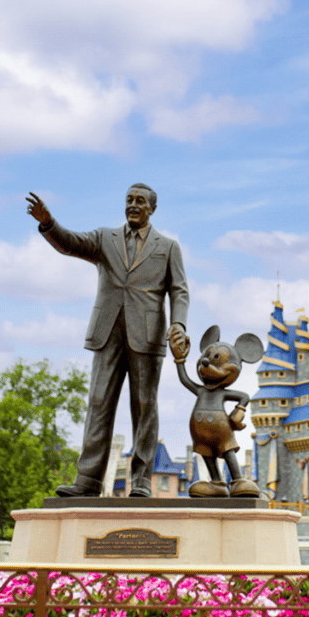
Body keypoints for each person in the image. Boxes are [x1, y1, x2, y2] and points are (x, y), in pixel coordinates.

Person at [27, 185, 189, 499]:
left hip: (148, 334)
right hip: (107, 333)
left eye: (139, 201)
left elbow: (179, 291)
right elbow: (70, 243)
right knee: (99, 403)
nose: (133, 205)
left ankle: (141, 481)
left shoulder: (168, 247)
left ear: (151, 208)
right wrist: (48, 223)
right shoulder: (105, 239)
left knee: (144, 407)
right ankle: (88, 480)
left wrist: (178, 324)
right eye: (129, 200)